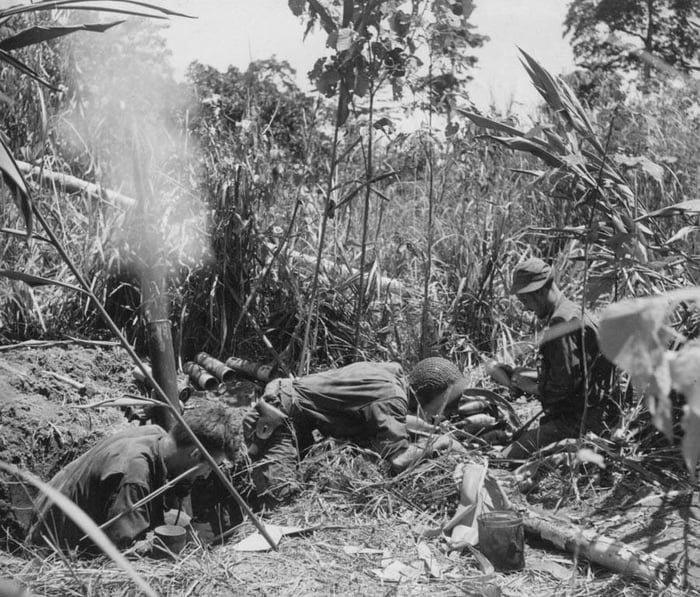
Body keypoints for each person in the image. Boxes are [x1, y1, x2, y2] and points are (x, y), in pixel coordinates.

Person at [242, 359, 469, 504]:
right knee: (280, 500)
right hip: (277, 417)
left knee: (297, 482)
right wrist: (441, 442)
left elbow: (393, 418)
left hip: (295, 413)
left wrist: (430, 428)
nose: (444, 413)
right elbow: (399, 459)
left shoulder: (391, 375)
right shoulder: (391, 395)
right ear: (428, 395)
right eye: (444, 405)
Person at [28, 402, 239, 555]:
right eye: (211, 467)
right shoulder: (134, 474)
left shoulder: (156, 435)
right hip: (55, 553)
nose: (207, 474)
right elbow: (123, 553)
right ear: (194, 454)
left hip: (47, 517)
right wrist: (184, 542)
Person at [501, 257, 614, 460]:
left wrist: (531, 387)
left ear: (540, 291)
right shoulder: (572, 310)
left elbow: (563, 386)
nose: (526, 308)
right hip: (596, 413)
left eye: (526, 301)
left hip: (579, 422)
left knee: (504, 458)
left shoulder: (560, 322)